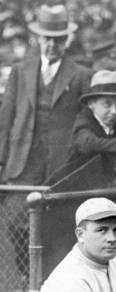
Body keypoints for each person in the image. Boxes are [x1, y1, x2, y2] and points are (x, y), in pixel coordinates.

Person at [0, 4, 91, 186]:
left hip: (61, 166)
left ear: (66, 40)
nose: (52, 45)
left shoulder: (81, 75)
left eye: (58, 39)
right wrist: (1, 159)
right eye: (47, 38)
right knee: (15, 212)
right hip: (21, 164)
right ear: (38, 38)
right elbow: (6, 118)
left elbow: (86, 121)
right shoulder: (20, 71)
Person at [65, 70, 116, 175]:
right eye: (107, 104)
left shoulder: (113, 126)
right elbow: (87, 143)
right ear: (91, 104)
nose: (114, 111)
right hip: (69, 186)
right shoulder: (84, 122)